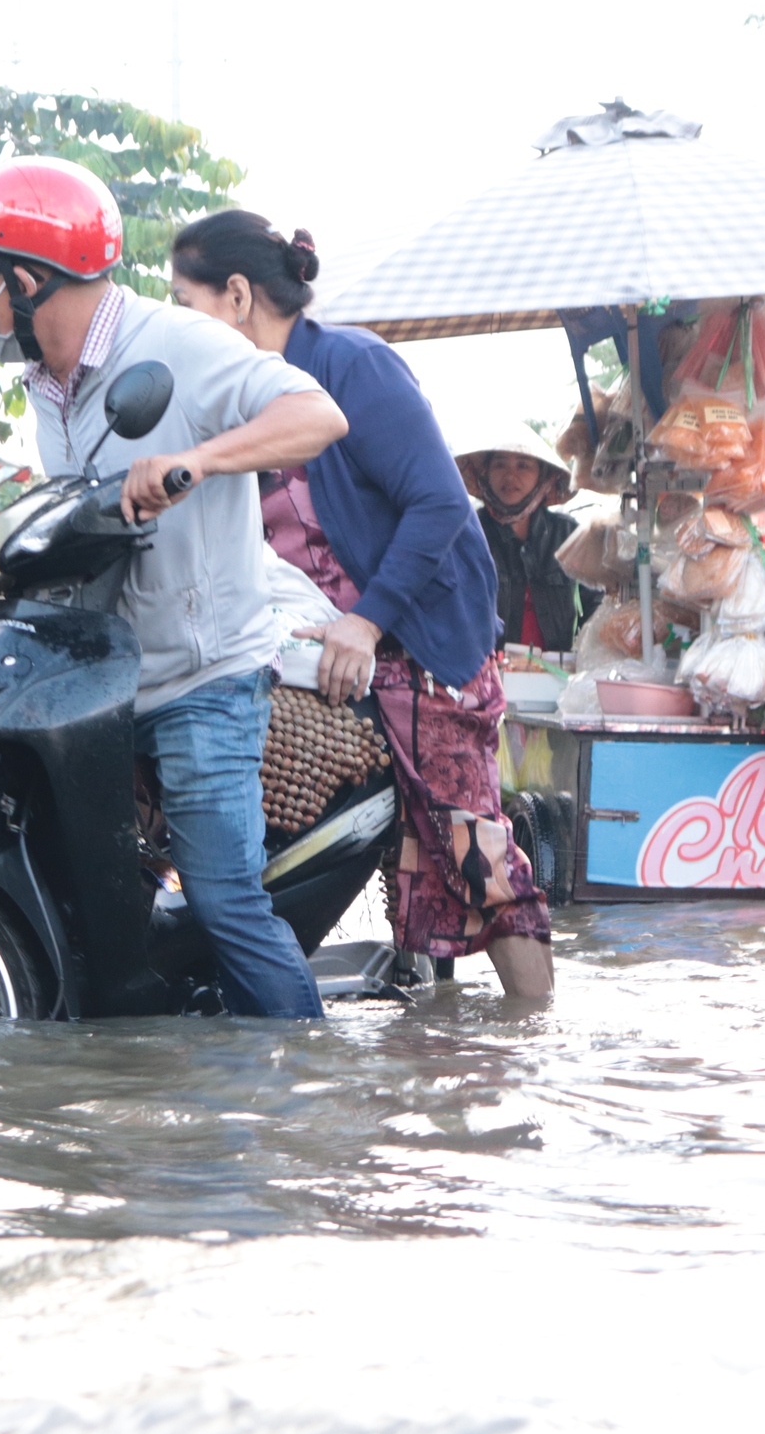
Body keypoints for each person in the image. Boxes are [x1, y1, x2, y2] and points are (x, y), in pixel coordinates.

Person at [0, 157, 349, 1019]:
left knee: (227, 901)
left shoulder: (181, 344)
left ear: (29, 278)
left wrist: (193, 461)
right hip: (106, 683)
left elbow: (316, 416)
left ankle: (300, 1094)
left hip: (205, 681)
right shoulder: (48, 382)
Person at [168, 209, 553, 999]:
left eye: (186, 301)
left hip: (423, 652)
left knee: (474, 857)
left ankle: (532, 1043)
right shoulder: (238, 399)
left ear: (237, 296)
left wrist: (368, 620)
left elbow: (441, 505)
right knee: (396, 863)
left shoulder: (352, 365)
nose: (177, 323)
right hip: (330, 659)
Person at [454, 437, 589, 653]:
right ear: (486, 472)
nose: (510, 476)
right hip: (487, 676)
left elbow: (595, 602)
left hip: (555, 674)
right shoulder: (468, 533)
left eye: (523, 465)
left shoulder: (567, 534)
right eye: (500, 464)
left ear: (542, 475)